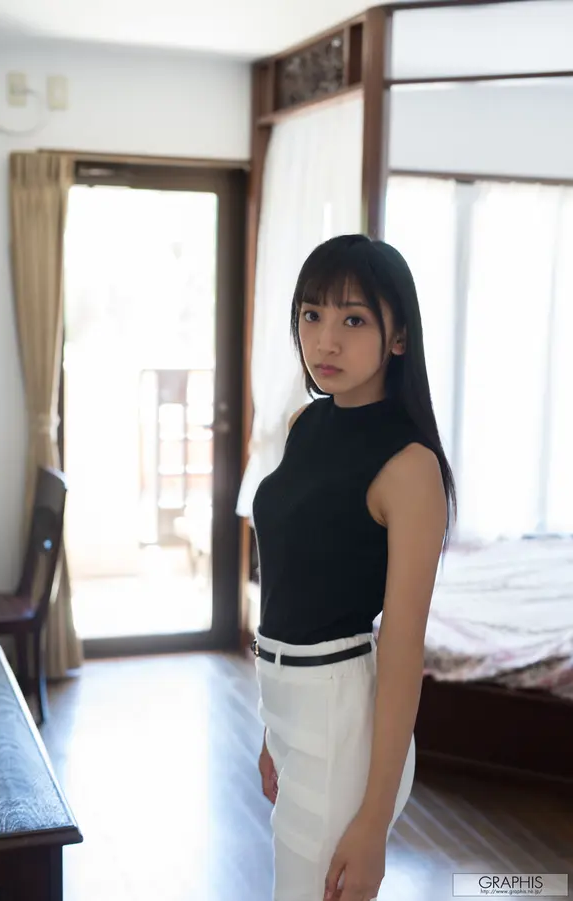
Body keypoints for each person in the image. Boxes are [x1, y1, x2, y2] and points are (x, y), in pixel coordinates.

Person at [250, 234, 456, 901]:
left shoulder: (411, 466)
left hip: (341, 723)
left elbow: (402, 647)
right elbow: (296, 587)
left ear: (399, 337)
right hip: (290, 705)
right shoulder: (307, 424)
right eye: (312, 314)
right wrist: (272, 727)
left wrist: (374, 821)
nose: (326, 339)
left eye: (354, 319)